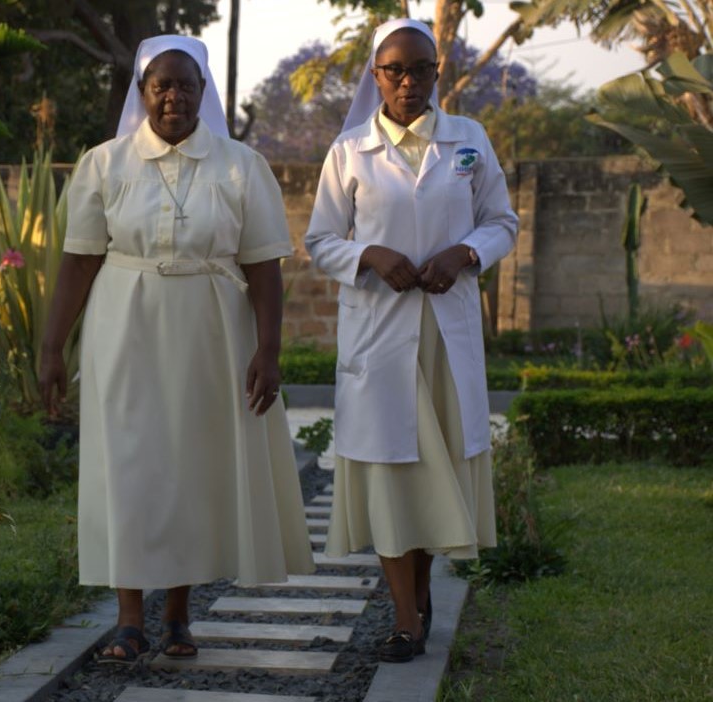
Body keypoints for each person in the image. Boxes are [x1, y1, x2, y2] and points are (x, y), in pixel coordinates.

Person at [40, 34, 314, 666]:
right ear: (143, 93)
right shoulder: (104, 164)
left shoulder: (241, 165)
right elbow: (79, 261)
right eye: (161, 84)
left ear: (203, 92)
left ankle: (179, 615)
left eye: (186, 84)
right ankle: (129, 619)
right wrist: (53, 346)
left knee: (192, 467)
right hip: (124, 326)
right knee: (129, 466)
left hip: (212, 329)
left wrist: (268, 351)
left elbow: (265, 267)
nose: (174, 96)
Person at [305, 18, 518, 663]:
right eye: (394, 69)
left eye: (419, 69)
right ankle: (403, 617)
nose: (407, 80)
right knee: (395, 473)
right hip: (381, 335)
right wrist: (368, 254)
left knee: (436, 467)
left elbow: (502, 221)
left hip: (445, 335)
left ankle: (419, 598)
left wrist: (465, 253)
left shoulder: (468, 141)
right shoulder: (349, 151)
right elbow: (319, 241)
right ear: (376, 77)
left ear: (437, 73)